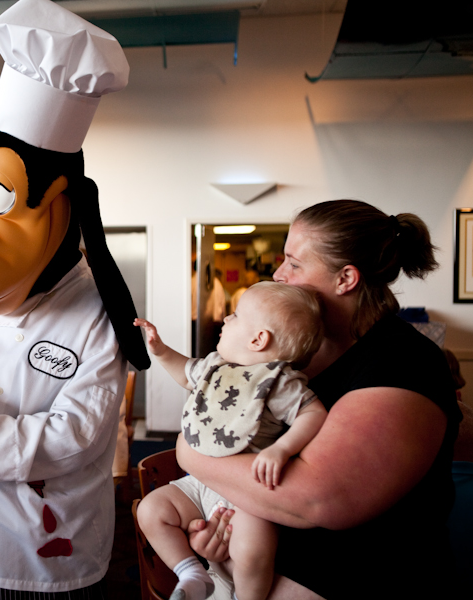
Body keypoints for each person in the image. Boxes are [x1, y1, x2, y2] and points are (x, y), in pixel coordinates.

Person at [176, 200, 461, 599]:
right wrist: (225, 532)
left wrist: (193, 452)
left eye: (294, 262)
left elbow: (319, 498)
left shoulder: (402, 361)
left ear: (346, 278)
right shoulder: (296, 355)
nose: (278, 274)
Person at [136, 281, 326, 600]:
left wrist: (282, 448)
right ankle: (190, 571)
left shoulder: (278, 380)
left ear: (258, 339)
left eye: (235, 315)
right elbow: (185, 373)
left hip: (247, 493)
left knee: (252, 550)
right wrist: (161, 351)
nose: (225, 319)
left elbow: (313, 413)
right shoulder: (215, 366)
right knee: (151, 510)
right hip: (201, 482)